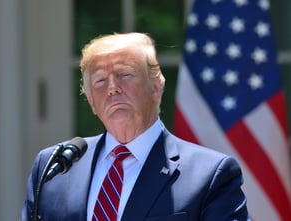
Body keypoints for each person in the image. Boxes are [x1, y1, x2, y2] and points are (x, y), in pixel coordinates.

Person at [20, 32, 250, 221]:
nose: (112, 88)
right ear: (91, 101)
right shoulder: (54, 167)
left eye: (125, 74)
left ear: (156, 87)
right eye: (100, 81)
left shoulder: (210, 174)